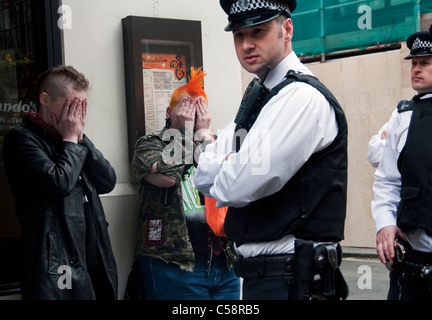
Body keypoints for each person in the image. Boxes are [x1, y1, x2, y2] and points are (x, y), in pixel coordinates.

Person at [194, 0, 348, 300]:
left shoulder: (300, 98)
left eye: (258, 31)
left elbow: (236, 187)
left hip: (292, 280)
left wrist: (228, 165)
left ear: (286, 28)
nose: (247, 44)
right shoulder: (261, 95)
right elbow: (203, 175)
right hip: (265, 278)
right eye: (239, 35)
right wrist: (234, 162)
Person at [3, 65, 118, 300]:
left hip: (94, 261)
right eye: (71, 105)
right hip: (59, 267)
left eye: (82, 106)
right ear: (45, 99)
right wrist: (71, 141)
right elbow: (58, 182)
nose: (76, 114)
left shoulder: (74, 139)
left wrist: (80, 139)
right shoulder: (22, 138)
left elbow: (107, 181)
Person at [132, 67, 240, 300]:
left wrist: (203, 135)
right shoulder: (150, 145)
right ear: (170, 111)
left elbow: (232, 182)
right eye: (187, 107)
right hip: (174, 266)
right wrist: (183, 133)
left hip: (224, 266)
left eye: (198, 108)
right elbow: (168, 177)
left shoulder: (214, 144)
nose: (193, 114)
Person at [372, 25, 432, 300]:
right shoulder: (404, 116)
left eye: (426, 63)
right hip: (413, 265)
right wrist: (385, 223)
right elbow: (387, 180)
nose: (416, 69)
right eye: (414, 63)